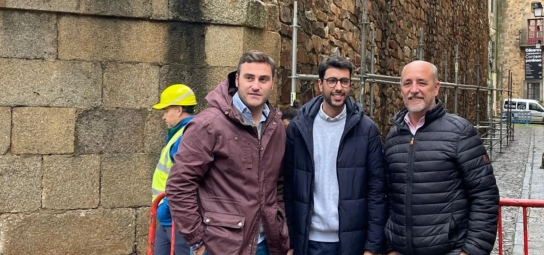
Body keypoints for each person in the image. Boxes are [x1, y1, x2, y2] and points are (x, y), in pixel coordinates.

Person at [166, 51, 289, 255]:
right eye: (249, 78)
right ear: (237, 80)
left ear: (272, 84)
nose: (256, 86)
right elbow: (179, 185)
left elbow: (278, 185)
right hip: (220, 246)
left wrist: (282, 231)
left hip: (267, 243)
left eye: (263, 79)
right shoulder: (209, 124)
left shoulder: (276, 127)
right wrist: (197, 240)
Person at [384, 61, 499, 255]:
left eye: (422, 82)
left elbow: (485, 195)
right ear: (401, 89)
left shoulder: (460, 133)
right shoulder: (393, 138)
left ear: (436, 88)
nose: (414, 90)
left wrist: (472, 251)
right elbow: (387, 197)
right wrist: (389, 248)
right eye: (407, 83)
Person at [284, 56, 386, 255]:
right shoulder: (299, 128)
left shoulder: (367, 130)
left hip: (352, 242)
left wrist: (372, 247)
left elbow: (376, 190)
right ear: (320, 84)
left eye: (344, 81)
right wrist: (290, 241)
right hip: (309, 240)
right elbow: (288, 187)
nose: (338, 87)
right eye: (332, 81)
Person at [151, 84, 197, 255]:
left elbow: (186, 179)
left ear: (178, 110)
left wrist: (166, 208)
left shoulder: (187, 135)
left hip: (176, 218)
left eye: (166, 110)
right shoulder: (180, 133)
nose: (163, 116)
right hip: (168, 217)